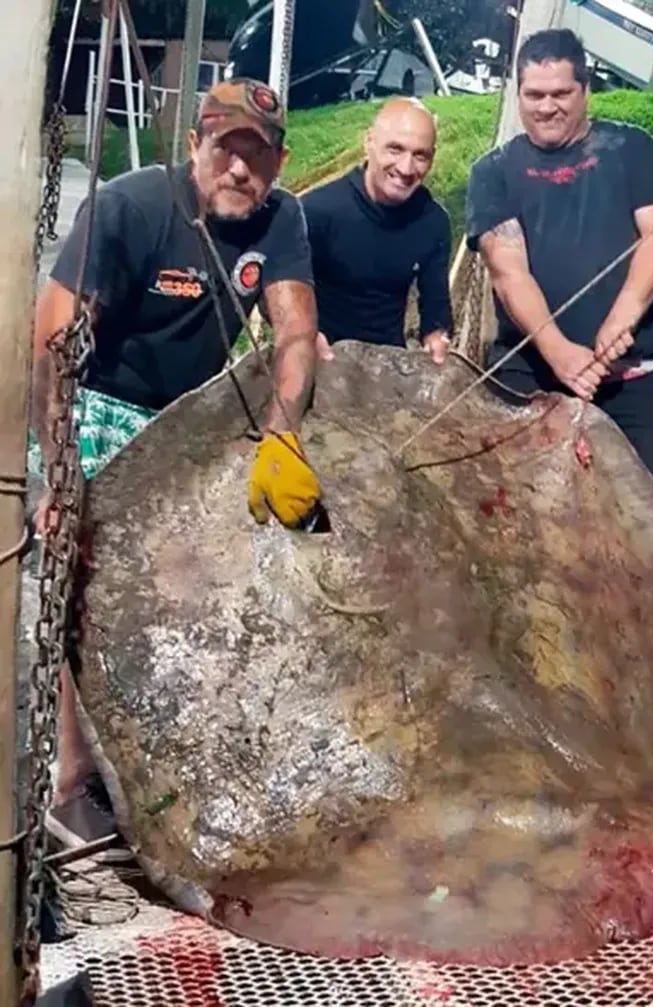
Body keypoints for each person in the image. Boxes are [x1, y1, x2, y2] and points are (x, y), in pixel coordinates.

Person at [30, 78, 322, 854]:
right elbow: (52, 346)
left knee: (211, 582)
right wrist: (60, 476)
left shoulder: (281, 218)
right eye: (225, 150)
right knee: (86, 587)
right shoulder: (128, 208)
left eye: (254, 156)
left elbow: (294, 332)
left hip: (185, 418)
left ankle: (174, 761)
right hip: (96, 405)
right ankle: (72, 780)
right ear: (195, 144)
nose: (237, 171)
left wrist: (282, 432)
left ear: (278, 161)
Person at [465, 29, 653, 506]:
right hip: (529, 375)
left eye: (561, 93)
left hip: (635, 375)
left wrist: (622, 314)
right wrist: (558, 350)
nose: (547, 107)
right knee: (518, 514)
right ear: (518, 95)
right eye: (534, 95)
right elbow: (509, 272)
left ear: (586, 91)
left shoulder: (632, 149)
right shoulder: (492, 172)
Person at [300, 97, 453, 365]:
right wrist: (304, 334)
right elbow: (277, 295)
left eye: (420, 155)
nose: (406, 169)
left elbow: (436, 306)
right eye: (395, 149)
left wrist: (437, 338)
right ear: (369, 142)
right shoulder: (317, 211)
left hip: (385, 367)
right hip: (320, 357)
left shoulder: (434, 222)